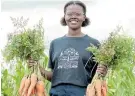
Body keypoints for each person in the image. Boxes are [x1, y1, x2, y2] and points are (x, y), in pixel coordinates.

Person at [28, 1, 107, 96]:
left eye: (78, 14)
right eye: (69, 14)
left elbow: (98, 73)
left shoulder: (94, 43)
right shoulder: (55, 43)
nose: (73, 17)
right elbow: (54, 76)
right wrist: (38, 68)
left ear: (84, 17)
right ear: (65, 16)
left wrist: (103, 71)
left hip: (83, 92)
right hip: (57, 92)